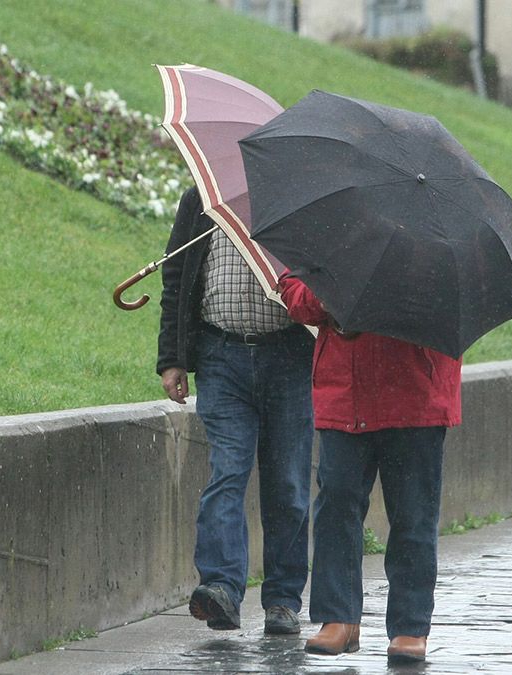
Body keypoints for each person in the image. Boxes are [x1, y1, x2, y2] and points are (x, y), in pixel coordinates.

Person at [278, 271, 462, 664]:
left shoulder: (434, 237)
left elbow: (458, 303)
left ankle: (410, 627)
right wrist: (333, 294)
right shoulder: (327, 226)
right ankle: (338, 618)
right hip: (345, 392)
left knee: (413, 515)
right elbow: (294, 294)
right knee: (335, 508)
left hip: (418, 395)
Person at [156, 186, 315, 635]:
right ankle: (221, 588)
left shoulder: (297, 201)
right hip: (220, 356)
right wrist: (173, 357)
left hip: (289, 358)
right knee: (227, 472)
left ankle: (283, 600)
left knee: (287, 483)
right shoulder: (201, 200)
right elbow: (177, 277)